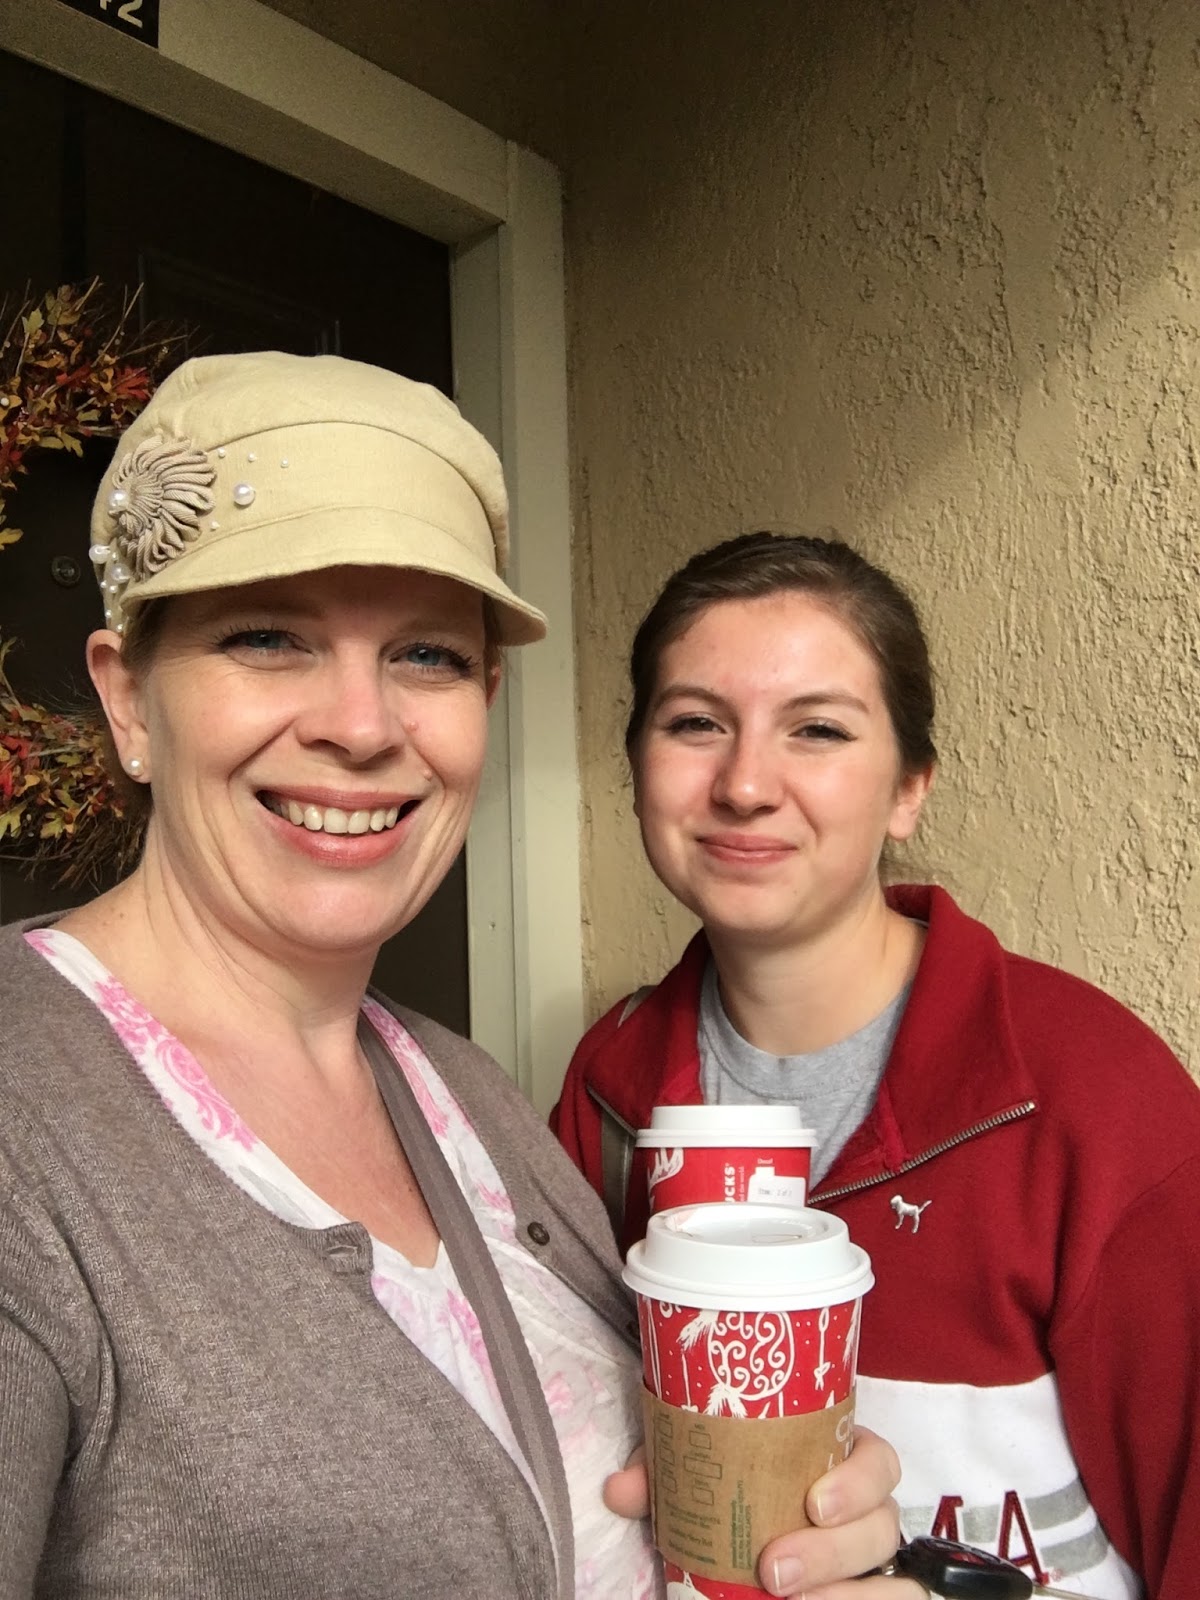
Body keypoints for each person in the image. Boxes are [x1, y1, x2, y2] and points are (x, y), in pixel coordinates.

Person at [0, 359, 914, 1600]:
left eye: (426, 654)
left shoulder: (466, 1092)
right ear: (130, 700)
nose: (362, 724)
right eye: (267, 636)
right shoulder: (25, 1129)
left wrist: (797, 1533)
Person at [553, 530, 1200, 1600]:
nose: (744, 783)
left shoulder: (1094, 1097)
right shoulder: (607, 1092)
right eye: (696, 723)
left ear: (908, 789)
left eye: (817, 729)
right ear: (636, 769)